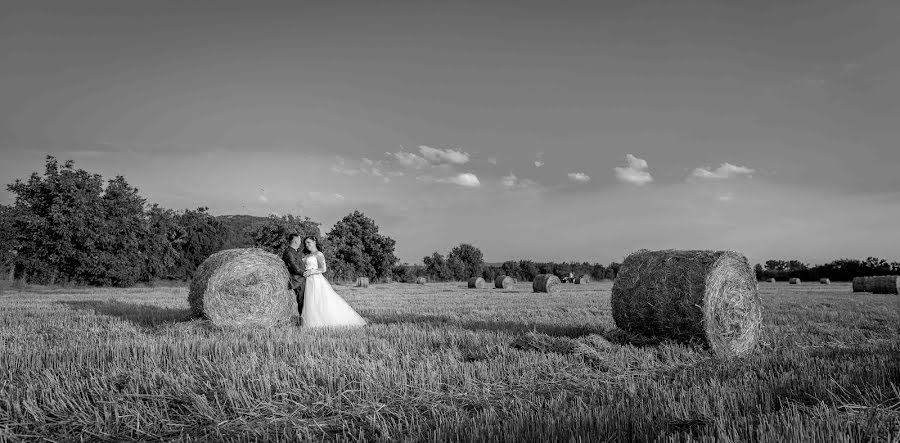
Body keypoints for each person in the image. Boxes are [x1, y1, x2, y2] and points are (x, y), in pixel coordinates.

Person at [299, 236, 367, 327]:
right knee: (311, 301)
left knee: (319, 300)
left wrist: (311, 271)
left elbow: (323, 269)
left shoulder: (319, 254)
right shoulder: (307, 255)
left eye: (308, 242)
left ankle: (324, 321)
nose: (307, 245)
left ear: (314, 242)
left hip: (316, 280)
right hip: (308, 281)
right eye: (305, 243)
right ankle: (314, 322)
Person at [282, 233, 307, 317]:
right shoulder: (289, 253)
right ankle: (303, 319)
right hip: (297, 280)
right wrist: (306, 273)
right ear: (296, 241)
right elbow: (295, 268)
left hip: (301, 278)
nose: (301, 242)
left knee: (304, 300)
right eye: (300, 240)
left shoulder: (294, 252)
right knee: (301, 300)